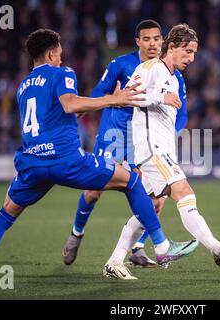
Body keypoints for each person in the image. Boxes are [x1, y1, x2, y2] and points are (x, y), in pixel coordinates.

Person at [0, 28, 199, 289]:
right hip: (66, 160)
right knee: (133, 182)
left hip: (32, 163)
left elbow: (61, 113)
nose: (61, 59)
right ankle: (161, 246)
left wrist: (102, 104)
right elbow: (70, 104)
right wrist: (111, 99)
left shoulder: (23, 86)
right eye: (59, 54)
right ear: (51, 54)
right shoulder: (63, 73)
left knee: (5, 216)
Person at [103, 24, 220, 279]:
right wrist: (159, 98)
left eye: (194, 53)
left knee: (149, 208)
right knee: (184, 191)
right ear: (171, 47)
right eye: (187, 51)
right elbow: (127, 96)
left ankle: (115, 261)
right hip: (152, 149)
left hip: (159, 149)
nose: (191, 58)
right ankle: (217, 249)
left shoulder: (173, 78)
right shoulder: (150, 68)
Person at [62, 19, 189, 268]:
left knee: (157, 198)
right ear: (138, 42)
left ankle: (138, 248)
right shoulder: (120, 64)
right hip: (114, 135)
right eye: (147, 39)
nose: (152, 44)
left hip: (145, 141)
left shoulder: (173, 73)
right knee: (93, 191)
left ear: (163, 41)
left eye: (156, 38)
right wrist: (88, 108)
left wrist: (169, 134)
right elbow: (99, 93)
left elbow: (181, 111)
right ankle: (77, 233)